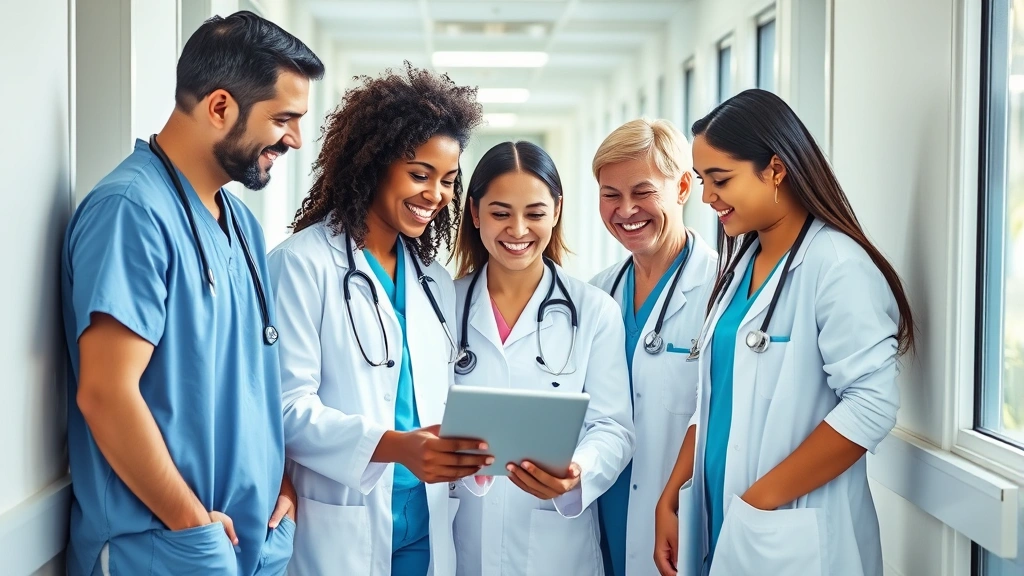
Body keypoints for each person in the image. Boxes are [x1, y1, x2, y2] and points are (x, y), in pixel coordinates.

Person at [61, 11, 323, 576]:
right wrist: (190, 524)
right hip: (163, 547)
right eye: (284, 118)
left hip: (248, 545)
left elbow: (248, 381)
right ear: (221, 106)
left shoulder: (243, 226)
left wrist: (279, 484)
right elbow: (105, 393)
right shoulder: (132, 211)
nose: (296, 139)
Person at [654, 89, 915, 576]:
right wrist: (671, 495)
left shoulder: (836, 266)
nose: (708, 197)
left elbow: (871, 405)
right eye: (702, 180)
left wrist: (758, 504)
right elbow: (714, 396)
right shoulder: (741, 267)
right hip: (716, 516)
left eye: (721, 179)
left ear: (775, 169)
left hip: (781, 526)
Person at [268, 63, 490, 576]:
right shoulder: (304, 264)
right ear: (374, 165)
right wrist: (394, 447)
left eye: (448, 181)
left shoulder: (433, 281)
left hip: (426, 522)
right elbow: (283, 408)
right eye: (420, 174)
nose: (435, 195)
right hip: (342, 520)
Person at [448, 140, 636, 576]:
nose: (517, 230)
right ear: (475, 214)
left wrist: (577, 470)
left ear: (556, 211)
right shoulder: (443, 304)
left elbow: (613, 428)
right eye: (500, 213)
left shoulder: (593, 310)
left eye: (534, 213)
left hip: (556, 547)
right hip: (462, 537)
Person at [588, 119, 718, 576]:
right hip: (599, 513)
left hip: (679, 521)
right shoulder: (597, 293)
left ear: (683, 186)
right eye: (611, 194)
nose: (626, 210)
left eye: (642, 192)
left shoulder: (721, 292)